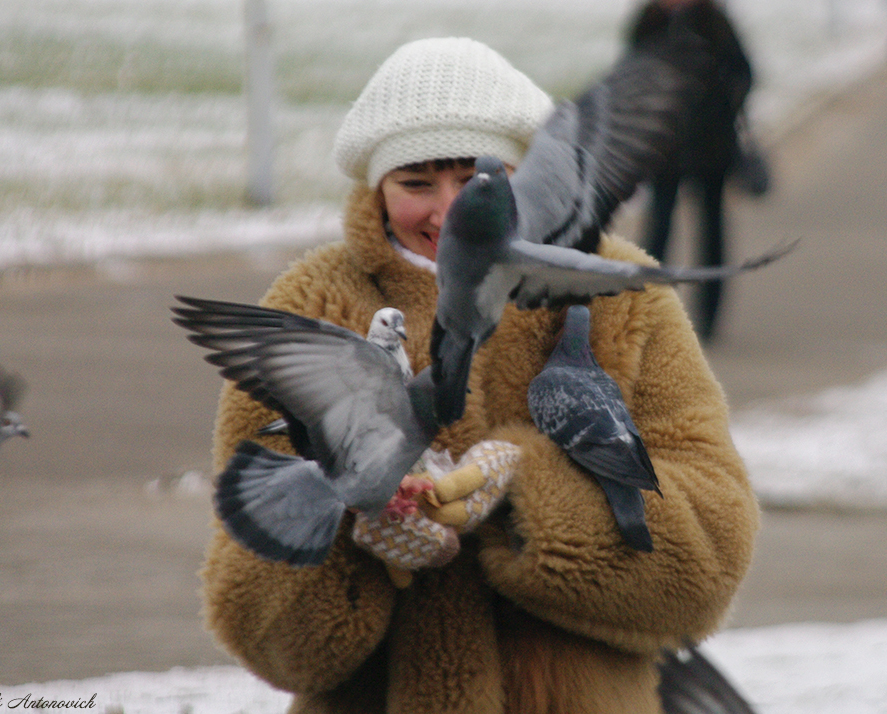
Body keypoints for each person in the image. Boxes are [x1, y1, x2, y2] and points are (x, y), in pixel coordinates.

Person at [201, 37, 758, 713]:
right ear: (375, 186)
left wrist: (526, 494)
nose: (447, 210)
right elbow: (267, 634)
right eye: (415, 183)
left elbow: (709, 566)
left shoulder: (618, 298)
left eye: (473, 182)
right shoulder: (312, 306)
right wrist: (359, 526)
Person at [628, 0, 760, 343]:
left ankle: (710, 318)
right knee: (657, 231)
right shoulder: (649, 22)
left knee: (711, 230)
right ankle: (650, 311)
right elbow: (627, 77)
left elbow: (744, 74)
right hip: (665, 148)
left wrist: (717, 108)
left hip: (710, 148)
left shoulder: (714, 22)